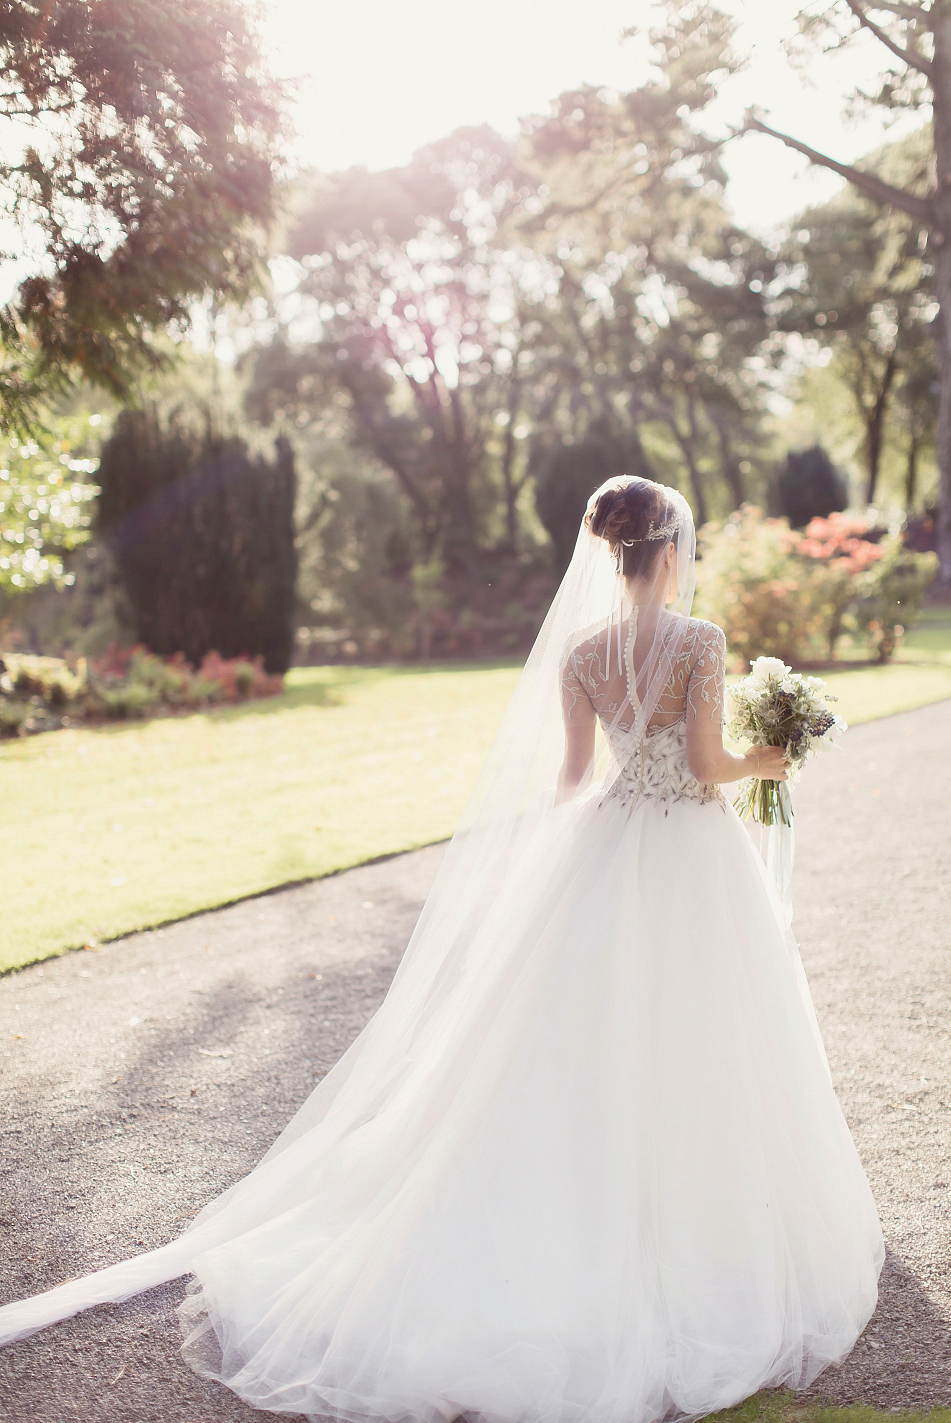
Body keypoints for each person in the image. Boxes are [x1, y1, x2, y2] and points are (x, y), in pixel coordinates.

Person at [0, 477, 883, 1423]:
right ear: (669, 553)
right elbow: (708, 764)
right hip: (689, 853)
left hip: (609, 841)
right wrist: (769, 761)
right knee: (706, 1036)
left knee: (574, 1043)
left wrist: (559, 880)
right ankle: (709, 1229)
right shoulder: (700, 643)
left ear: (612, 554)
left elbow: (575, 778)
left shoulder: (583, 652)